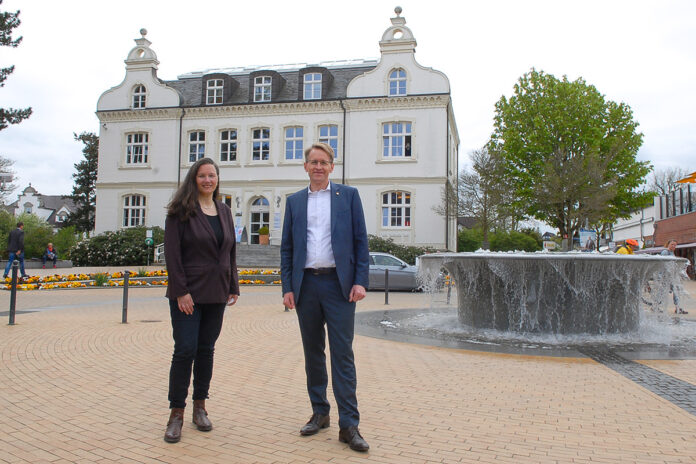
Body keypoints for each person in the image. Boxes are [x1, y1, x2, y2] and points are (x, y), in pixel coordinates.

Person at [281, 142, 370, 452]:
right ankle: (320, 412)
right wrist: (287, 287)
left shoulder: (348, 196)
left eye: (324, 162)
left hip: (339, 286)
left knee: (342, 354)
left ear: (333, 166)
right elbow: (287, 248)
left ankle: (349, 424)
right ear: (305, 166)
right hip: (306, 286)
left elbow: (361, 242)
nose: (318, 166)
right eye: (313, 161)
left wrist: (360, 281)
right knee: (313, 353)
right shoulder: (294, 202)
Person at [163, 157, 240, 443]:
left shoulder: (224, 211)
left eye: (212, 175)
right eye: (202, 176)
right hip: (188, 293)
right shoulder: (180, 210)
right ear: (193, 179)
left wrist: (233, 284)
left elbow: (230, 251)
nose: (208, 180)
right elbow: (172, 256)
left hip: (217, 292)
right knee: (185, 350)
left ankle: (200, 407)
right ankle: (176, 413)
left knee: (206, 349)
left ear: (217, 179)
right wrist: (181, 291)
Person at [660, 239, 687, 314]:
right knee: (663, 292)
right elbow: (662, 264)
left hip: (671, 276)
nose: (674, 246)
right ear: (668, 244)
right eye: (672, 244)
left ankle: (677, 308)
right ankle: (656, 306)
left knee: (675, 291)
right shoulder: (665, 252)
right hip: (666, 276)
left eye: (675, 245)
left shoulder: (671, 252)